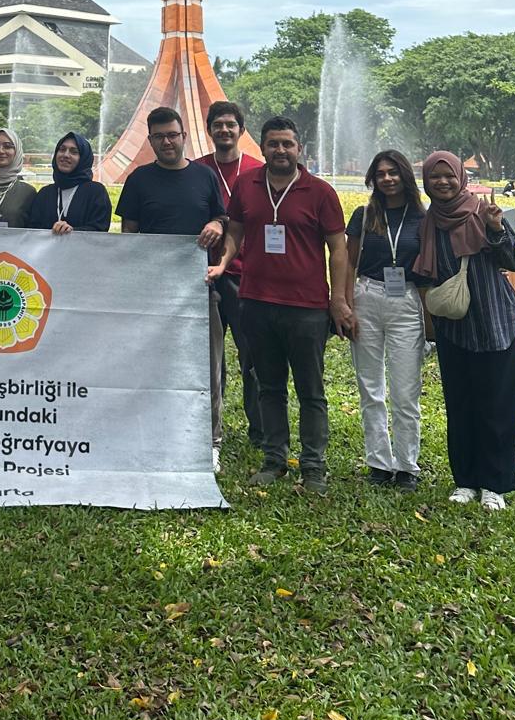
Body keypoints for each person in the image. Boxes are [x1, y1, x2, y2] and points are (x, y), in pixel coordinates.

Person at [207, 116, 348, 494]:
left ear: (299, 148)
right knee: (268, 386)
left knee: (310, 389)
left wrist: (338, 300)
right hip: (256, 302)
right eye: (273, 144)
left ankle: (314, 466)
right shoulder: (246, 185)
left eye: (287, 144)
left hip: (306, 307)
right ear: (263, 148)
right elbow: (236, 231)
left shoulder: (320, 192)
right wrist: (223, 262)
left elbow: (338, 249)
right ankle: (274, 460)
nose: (280, 150)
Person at [413, 150, 515, 510]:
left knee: (497, 407)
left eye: (449, 175)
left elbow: (513, 260)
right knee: (460, 405)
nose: (442, 182)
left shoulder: (482, 211)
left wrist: (496, 228)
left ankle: (495, 484)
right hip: (454, 326)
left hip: (495, 323)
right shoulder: (429, 220)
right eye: (435, 177)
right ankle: (465, 480)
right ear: (426, 181)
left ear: (461, 177)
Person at [118, 107, 227, 468]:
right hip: (152, 292)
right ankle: (154, 432)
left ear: (184, 137)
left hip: (198, 290)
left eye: (172, 135)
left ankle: (209, 440)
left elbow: (221, 217)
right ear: (150, 140)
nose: (167, 142)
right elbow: (130, 234)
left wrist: (217, 224)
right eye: (159, 136)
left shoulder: (204, 176)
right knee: (152, 364)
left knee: (206, 366)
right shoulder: (138, 180)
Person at [345, 151, 426, 490]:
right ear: (373, 179)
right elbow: (348, 263)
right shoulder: (364, 216)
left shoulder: (423, 217)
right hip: (367, 296)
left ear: (405, 176)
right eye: (381, 174)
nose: (387, 179)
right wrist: (345, 306)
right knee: (370, 387)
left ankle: (407, 465)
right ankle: (379, 462)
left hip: (406, 300)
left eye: (393, 172)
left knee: (405, 391)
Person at [195, 100, 264, 451]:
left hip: (245, 275)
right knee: (207, 358)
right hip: (202, 274)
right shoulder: (196, 171)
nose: (224, 130)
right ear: (209, 130)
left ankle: (260, 430)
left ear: (241, 130)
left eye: (230, 125)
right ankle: (208, 429)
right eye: (218, 125)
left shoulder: (258, 171)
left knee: (253, 355)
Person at [28, 132, 112, 233]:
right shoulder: (45, 194)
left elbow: (100, 229)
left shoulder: (96, 192)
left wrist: (72, 231)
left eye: (74, 152)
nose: (66, 155)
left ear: (83, 158)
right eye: (62, 149)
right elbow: (32, 231)